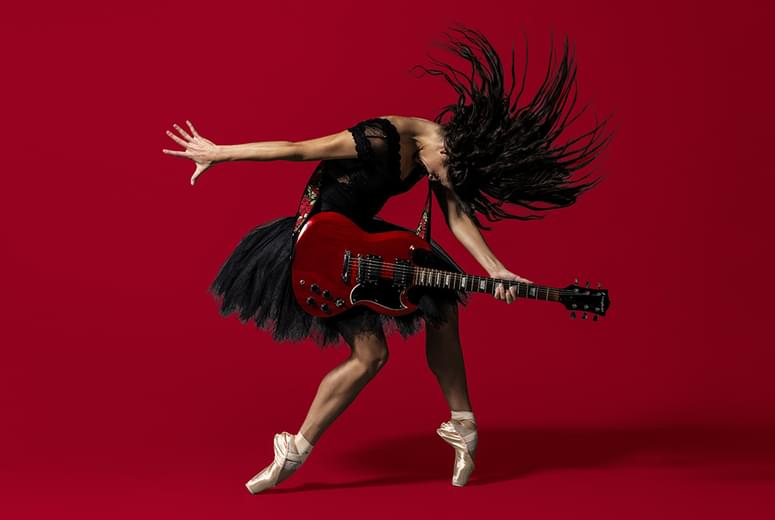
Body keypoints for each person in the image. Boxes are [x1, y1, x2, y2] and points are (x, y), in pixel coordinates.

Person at [162, 25, 612, 493]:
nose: (444, 178)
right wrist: (219, 153)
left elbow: (456, 216)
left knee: (442, 302)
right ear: (445, 144)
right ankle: (294, 451)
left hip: (365, 242)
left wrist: (495, 269)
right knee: (372, 355)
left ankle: (463, 423)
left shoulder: (439, 155)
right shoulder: (379, 137)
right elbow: (297, 150)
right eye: (447, 169)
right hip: (321, 243)